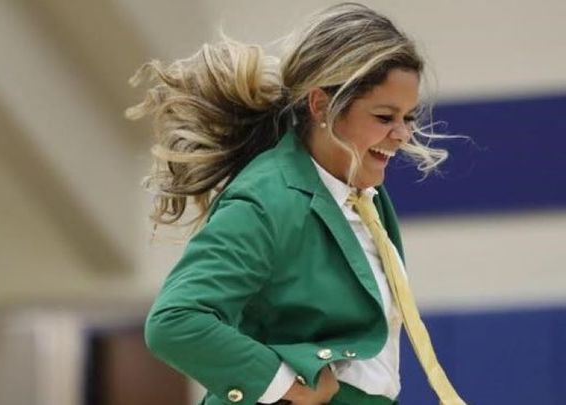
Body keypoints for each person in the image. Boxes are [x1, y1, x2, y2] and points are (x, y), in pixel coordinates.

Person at [127, 3, 465, 404]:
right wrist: (282, 383)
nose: (402, 135)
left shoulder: (368, 196)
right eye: (384, 116)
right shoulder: (267, 198)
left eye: (408, 117)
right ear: (320, 105)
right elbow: (175, 322)